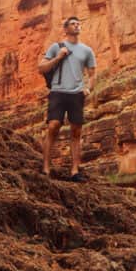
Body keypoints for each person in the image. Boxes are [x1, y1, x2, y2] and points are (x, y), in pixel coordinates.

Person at [38, 16, 96, 181]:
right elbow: (41, 68)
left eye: (78, 24)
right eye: (73, 24)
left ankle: (75, 171)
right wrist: (58, 57)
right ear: (65, 28)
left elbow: (92, 74)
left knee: (76, 131)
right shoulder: (56, 47)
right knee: (53, 126)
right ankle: (46, 168)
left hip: (76, 94)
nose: (77, 26)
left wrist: (88, 89)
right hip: (57, 92)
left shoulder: (87, 51)